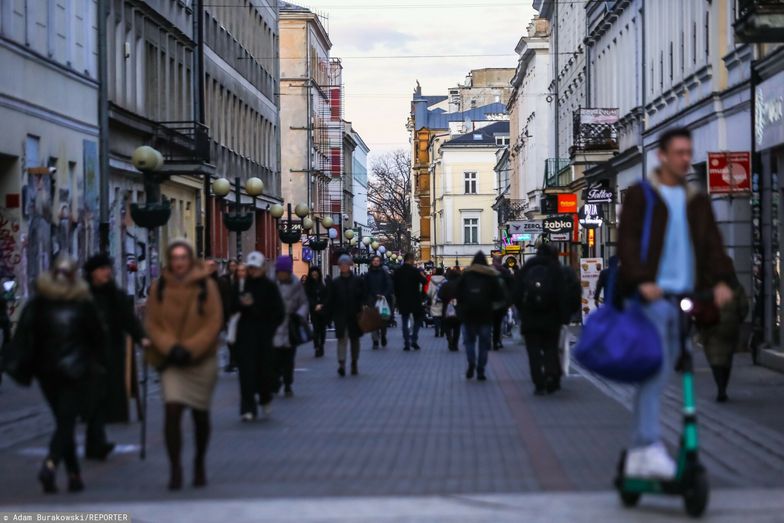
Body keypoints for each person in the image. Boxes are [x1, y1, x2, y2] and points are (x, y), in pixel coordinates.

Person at [618, 127, 734, 479]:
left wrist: (723, 282)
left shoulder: (695, 199)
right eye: (679, 153)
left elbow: (713, 245)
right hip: (653, 299)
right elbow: (627, 243)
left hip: (686, 297)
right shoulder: (643, 196)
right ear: (662, 156)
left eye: (689, 152)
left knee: (676, 370)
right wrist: (643, 281)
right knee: (655, 372)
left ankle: (644, 448)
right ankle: (647, 446)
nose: (686, 159)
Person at [7, 256, 105, 493]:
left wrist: (20, 366)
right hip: (76, 372)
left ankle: (74, 475)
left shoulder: (38, 304)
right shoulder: (83, 303)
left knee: (64, 421)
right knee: (66, 422)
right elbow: (98, 338)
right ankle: (50, 465)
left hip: (46, 372)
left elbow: (22, 338)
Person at [145, 240, 224, 490]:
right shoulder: (159, 288)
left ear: (190, 260)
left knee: (200, 415)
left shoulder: (206, 286)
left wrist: (191, 348)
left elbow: (214, 321)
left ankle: (199, 462)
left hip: (201, 360)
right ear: (170, 260)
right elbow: (153, 323)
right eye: (175, 257)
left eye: (183, 257)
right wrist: (171, 347)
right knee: (172, 411)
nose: (179, 262)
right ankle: (175, 467)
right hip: (172, 361)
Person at [83, 254, 149, 461]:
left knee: (104, 397)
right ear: (93, 272)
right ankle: (95, 442)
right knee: (92, 398)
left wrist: (141, 338)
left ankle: (95, 441)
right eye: (102, 269)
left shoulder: (114, 295)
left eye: (108, 268)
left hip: (111, 352)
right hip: (88, 354)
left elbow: (127, 320)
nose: (107, 272)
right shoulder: (82, 295)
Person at [515, 244, 575, 395]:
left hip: (530, 318)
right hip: (551, 318)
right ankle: (551, 375)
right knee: (550, 348)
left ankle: (538, 382)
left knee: (533, 351)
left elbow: (516, 293)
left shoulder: (527, 268)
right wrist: (564, 317)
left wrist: (522, 311)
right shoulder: (556, 269)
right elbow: (563, 295)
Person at [233, 252, 284, 420]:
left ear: (263, 268)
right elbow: (231, 306)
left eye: (256, 268)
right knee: (246, 373)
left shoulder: (270, 287)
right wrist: (241, 304)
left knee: (264, 372)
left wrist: (270, 327)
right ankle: (247, 408)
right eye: (251, 268)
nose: (253, 271)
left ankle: (265, 397)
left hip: (264, 336)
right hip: (245, 336)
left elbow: (279, 312)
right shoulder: (242, 285)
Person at [697, 266, 749, 402]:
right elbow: (744, 307)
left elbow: (699, 306)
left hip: (711, 326)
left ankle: (721, 387)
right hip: (730, 328)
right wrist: (738, 319)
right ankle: (723, 386)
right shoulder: (736, 287)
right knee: (727, 358)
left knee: (715, 358)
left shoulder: (707, 286)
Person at [456, 252, 505, 380]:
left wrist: (461, 309)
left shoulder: (466, 274)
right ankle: (481, 370)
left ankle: (471, 361)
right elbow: (499, 295)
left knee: (469, 342)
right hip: (485, 314)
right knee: (483, 344)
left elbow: (458, 293)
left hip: (468, 314)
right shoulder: (491, 276)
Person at [272, 256, 309, 397]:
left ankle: (288, 383)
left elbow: (304, 303)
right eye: (280, 271)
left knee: (288, 359)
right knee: (274, 358)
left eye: (285, 272)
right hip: (274, 326)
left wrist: (299, 315)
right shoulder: (271, 283)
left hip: (290, 326)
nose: (282, 274)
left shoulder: (296, 284)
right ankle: (275, 381)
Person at [326, 255, 365, 376]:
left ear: (350, 266)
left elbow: (364, 295)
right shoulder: (335, 283)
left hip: (355, 315)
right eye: (342, 265)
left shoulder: (358, 281)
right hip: (340, 316)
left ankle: (354, 362)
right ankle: (341, 363)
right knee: (341, 340)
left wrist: (363, 305)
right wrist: (328, 316)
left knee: (354, 340)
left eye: (346, 264)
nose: (344, 267)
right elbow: (330, 299)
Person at [206, 258, 234, 373]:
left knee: (226, 341)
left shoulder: (221, 283)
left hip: (219, 316)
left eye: (212, 266)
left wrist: (226, 316)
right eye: (208, 266)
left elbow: (226, 300)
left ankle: (229, 362)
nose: (210, 268)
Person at [393, 253, 427, 351]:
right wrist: (421, 275)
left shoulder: (398, 271)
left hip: (403, 300)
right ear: (411, 260)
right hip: (415, 300)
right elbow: (424, 281)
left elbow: (395, 287)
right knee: (419, 319)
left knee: (404, 321)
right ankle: (414, 339)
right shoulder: (415, 271)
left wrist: (397, 300)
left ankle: (406, 342)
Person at [363, 255, 393, 349]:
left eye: (377, 260)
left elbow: (389, 285)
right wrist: (366, 300)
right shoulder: (368, 274)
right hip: (372, 300)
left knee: (383, 320)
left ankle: (383, 335)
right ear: (372, 262)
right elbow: (365, 288)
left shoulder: (384, 273)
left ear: (380, 262)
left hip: (382, 299)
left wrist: (384, 294)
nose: (376, 262)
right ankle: (375, 340)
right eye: (374, 261)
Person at [491, 253, 514, 350]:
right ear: (501, 261)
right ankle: (497, 341)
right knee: (499, 323)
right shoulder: (506, 272)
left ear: (493, 261)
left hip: (488, 302)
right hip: (502, 302)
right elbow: (511, 287)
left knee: (489, 323)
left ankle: (490, 340)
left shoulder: (487, 271)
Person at [304, 266, 328, 358]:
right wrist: (314, 305)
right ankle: (317, 346)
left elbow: (326, 296)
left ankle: (321, 344)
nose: (314, 274)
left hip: (322, 310)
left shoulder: (322, 284)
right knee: (316, 329)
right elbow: (307, 297)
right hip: (313, 310)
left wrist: (322, 305)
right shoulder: (308, 285)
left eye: (316, 272)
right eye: (312, 272)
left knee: (322, 329)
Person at [437, 268, 461, 352]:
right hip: (458, 309)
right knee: (457, 327)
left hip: (446, 308)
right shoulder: (460, 285)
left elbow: (439, 295)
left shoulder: (445, 285)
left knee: (447, 326)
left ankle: (450, 340)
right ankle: (455, 344)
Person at [427, 267, 447, 338]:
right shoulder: (444, 280)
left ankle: (436, 331)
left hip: (434, 300)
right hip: (443, 300)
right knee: (442, 316)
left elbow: (428, 292)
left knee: (435, 316)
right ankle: (442, 331)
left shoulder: (431, 280)